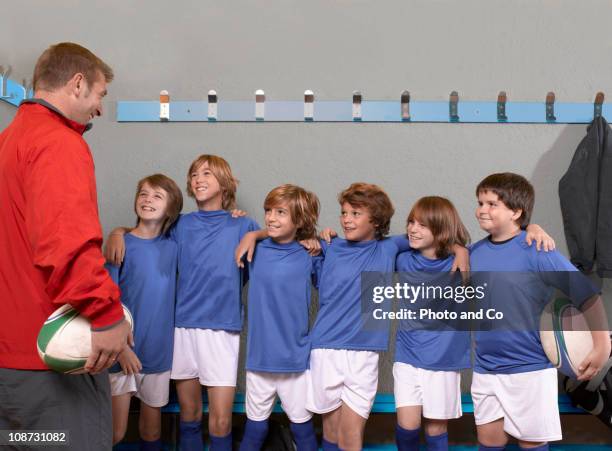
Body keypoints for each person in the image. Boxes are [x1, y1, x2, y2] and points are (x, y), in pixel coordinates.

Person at [0, 42, 131, 450]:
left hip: (10, 370)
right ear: (77, 84)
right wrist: (108, 317)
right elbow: (65, 244)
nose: (100, 109)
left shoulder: (8, 141)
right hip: (51, 375)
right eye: (99, 95)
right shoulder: (58, 143)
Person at [106, 154, 259, 451]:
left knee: (221, 421)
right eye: (193, 175)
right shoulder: (180, 226)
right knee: (189, 414)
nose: (198, 179)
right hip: (182, 329)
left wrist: (258, 233)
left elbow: (273, 257)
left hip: (222, 329)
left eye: (207, 174)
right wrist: (116, 232)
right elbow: (145, 234)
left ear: (225, 183)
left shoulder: (243, 225)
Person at [469, 173, 611, 451]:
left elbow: (587, 296)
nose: (482, 209)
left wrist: (602, 344)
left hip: (529, 370)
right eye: (480, 202)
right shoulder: (473, 253)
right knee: (488, 442)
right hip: (486, 368)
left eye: (491, 203)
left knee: (531, 444)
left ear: (516, 211)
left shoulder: (538, 250)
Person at [238, 184, 322, 451]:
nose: (271, 218)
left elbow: (340, 289)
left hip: (294, 359)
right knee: (254, 429)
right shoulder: (255, 250)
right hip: (259, 357)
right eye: (268, 211)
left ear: (299, 220)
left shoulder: (310, 254)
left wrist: (320, 240)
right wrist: (250, 232)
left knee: (302, 428)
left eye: (280, 212)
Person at [106, 174, 183, 450]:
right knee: (115, 432)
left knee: (151, 433)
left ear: (171, 210)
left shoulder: (174, 248)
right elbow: (107, 301)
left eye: (157, 196)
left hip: (157, 353)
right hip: (121, 352)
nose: (147, 199)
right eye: (143, 194)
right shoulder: (120, 244)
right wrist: (120, 349)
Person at [393, 196, 471, 451]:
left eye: (422, 225)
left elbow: (500, 244)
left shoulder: (461, 265)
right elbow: (371, 245)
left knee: (436, 429)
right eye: (411, 222)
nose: (413, 229)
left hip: (443, 360)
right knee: (407, 427)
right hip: (407, 355)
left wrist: (461, 249)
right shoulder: (402, 260)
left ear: (441, 229)